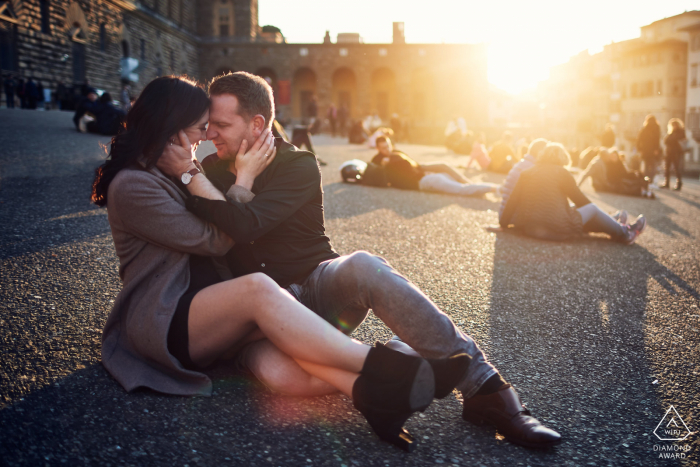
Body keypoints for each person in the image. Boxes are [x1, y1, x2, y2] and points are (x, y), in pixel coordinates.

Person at [157, 71, 561, 449]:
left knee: (364, 265)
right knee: (284, 378)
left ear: (257, 125)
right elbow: (229, 231)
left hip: (316, 285)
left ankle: (488, 390)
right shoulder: (210, 168)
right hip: (256, 316)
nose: (209, 135)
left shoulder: (297, 165)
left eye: (221, 126)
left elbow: (246, 225)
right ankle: (403, 358)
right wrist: (228, 181)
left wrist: (222, 187)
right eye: (209, 125)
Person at [91, 75, 469, 452]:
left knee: (288, 377)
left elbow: (221, 221)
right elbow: (220, 238)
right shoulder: (136, 185)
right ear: (169, 129)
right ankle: (394, 367)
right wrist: (233, 177)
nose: (203, 138)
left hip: (211, 309)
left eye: (211, 128)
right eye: (197, 129)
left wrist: (200, 176)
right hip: (165, 317)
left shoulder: (177, 171)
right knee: (257, 288)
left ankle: (375, 399)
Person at [500, 143, 647, 244]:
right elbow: (583, 202)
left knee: (573, 212)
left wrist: (504, 224)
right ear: (563, 157)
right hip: (557, 230)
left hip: (530, 229)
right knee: (592, 209)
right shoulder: (562, 173)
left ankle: (613, 223)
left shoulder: (526, 173)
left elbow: (512, 202)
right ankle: (624, 233)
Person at [366, 136, 497, 196]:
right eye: (383, 148)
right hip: (420, 182)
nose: (387, 150)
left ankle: (473, 186)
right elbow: (373, 176)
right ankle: (493, 188)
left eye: (388, 146)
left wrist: (424, 170)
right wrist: (382, 166)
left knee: (444, 167)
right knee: (458, 189)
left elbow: (411, 163)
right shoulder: (378, 160)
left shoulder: (395, 152)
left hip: (421, 171)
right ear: (377, 148)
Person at [498, 138, 548, 223]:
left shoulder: (523, 163)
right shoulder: (532, 169)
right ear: (541, 153)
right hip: (514, 217)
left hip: (505, 214)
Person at [578, 147, 653, 198]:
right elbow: (586, 173)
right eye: (608, 156)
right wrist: (578, 186)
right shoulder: (596, 163)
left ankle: (642, 189)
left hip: (606, 184)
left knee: (624, 184)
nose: (609, 158)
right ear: (603, 156)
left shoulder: (604, 162)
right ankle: (641, 192)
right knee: (622, 187)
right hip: (600, 185)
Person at [661, 118, 686, 191]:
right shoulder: (671, 133)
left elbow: (675, 139)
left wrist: (671, 138)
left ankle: (679, 183)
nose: (673, 127)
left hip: (676, 153)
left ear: (678, 125)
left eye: (675, 125)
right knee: (667, 168)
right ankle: (666, 182)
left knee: (676, 168)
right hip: (669, 153)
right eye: (672, 125)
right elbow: (665, 140)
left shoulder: (681, 132)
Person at [636, 115, 661, 183]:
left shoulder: (644, 128)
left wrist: (639, 149)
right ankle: (650, 179)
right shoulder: (656, 128)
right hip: (652, 150)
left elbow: (639, 140)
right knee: (652, 166)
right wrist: (656, 149)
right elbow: (657, 139)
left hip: (645, 150)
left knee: (647, 166)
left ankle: (646, 179)